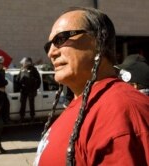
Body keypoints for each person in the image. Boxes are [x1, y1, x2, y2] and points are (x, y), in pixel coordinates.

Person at [34, 7, 149, 166]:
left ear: (98, 42)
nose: (51, 53)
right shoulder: (84, 101)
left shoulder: (122, 111)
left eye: (60, 39)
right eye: (49, 46)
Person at [16, 57, 41, 122]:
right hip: (24, 90)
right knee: (22, 104)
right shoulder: (22, 69)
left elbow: (38, 80)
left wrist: (35, 88)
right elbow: (17, 80)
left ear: (27, 63)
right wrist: (20, 85)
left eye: (24, 63)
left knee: (31, 104)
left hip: (31, 90)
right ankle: (22, 117)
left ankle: (32, 117)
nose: (23, 64)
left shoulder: (33, 70)